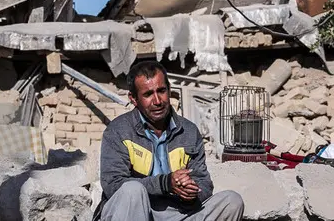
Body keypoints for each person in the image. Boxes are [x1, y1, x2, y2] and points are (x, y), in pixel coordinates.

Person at [95, 60, 244, 221]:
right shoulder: (118, 131)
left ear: (169, 90)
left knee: (231, 201)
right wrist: (165, 183)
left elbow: (204, 183)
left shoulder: (189, 132)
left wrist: (190, 193)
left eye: (161, 91)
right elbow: (113, 185)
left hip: (176, 212)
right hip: (133, 211)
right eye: (148, 94)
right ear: (134, 99)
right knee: (132, 190)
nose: (157, 101)